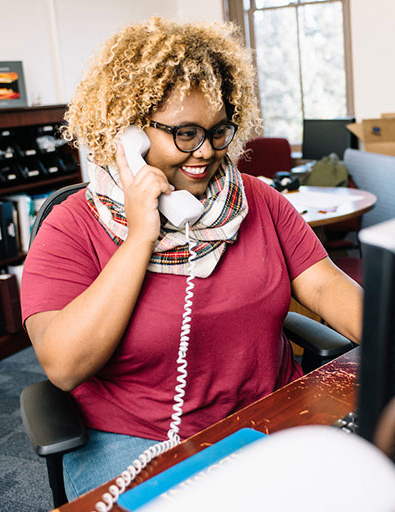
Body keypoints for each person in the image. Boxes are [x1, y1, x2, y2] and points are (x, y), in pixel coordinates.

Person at [21, 17, 363, 499]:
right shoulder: (72, 225)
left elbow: (326, 286)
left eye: (218, 130)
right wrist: (142, 237)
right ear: (129, 133)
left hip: (268, 416)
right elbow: (63, 365)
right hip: (135, 440)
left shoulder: (256, 201)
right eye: (184, 133)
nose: (205, 151)